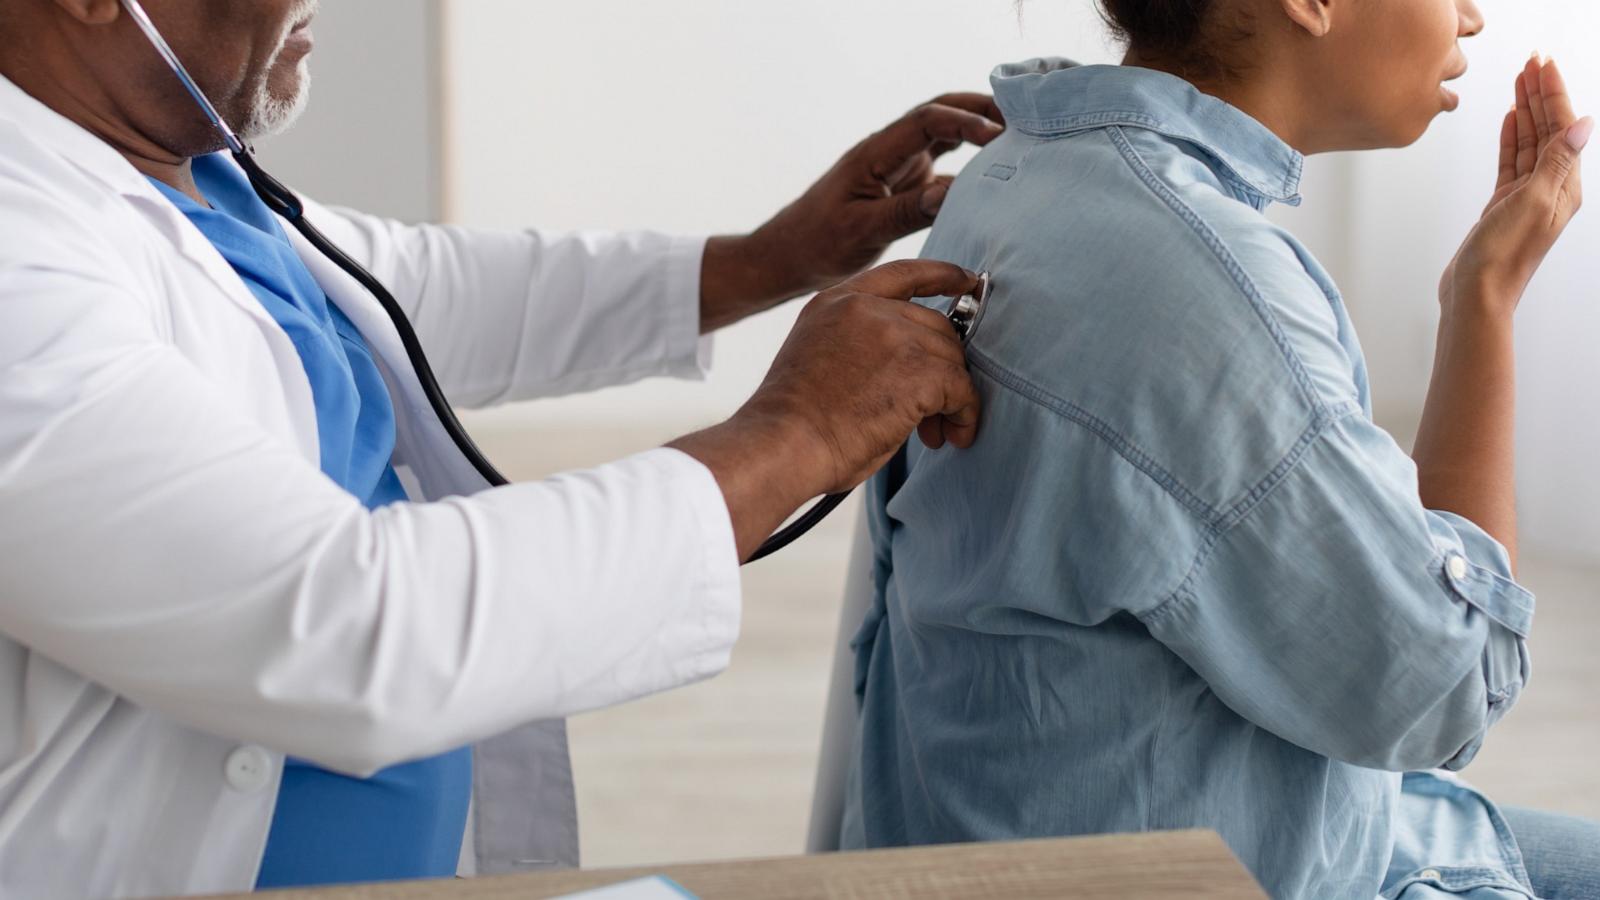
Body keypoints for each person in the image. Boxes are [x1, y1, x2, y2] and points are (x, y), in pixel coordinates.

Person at [0, 0, 1006, 896]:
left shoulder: (184, 176)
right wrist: (795, 438)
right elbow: (351, 626)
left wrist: (769, 259)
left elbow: (406, 288)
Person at [841, 1, 1599, 897]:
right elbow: (1447, 685)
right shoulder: (1205, 291)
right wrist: (1486, 302)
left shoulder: (1022, 166)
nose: (1472, 16)